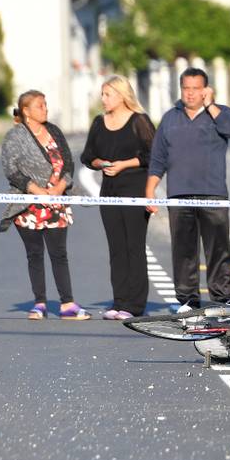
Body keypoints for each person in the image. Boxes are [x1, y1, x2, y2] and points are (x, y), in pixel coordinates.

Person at [145, 68, 230, 311]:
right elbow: (158, 157)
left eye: (196, 89)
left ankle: (222, 299)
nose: (190, 94)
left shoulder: (220, 114)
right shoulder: (170, 118)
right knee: (184, 251)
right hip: (179, 195)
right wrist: (150, 191)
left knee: (218, 249)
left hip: (213, 194)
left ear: (206, 90)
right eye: (186, 88)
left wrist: (210, 105)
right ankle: (188, 299)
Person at [0, 90, 90, 320]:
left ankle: (67, 303)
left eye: (46, 104)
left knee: (59, 253)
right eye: (40, 106)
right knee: (35, 253)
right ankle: (39, 303)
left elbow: (68, 163)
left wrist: (59, 188)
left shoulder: (54, 131)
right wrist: (36, 191)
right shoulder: (14, 137)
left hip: (56, 203)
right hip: (30, 205)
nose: (45, 109)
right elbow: (11, 170)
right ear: (26, 111)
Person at [80, 75, 156, 320]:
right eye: (102, 94)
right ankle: (119, 301)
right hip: (109, 193)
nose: (103, 99)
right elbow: (87, 156)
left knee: (134, 246)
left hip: (134, 190)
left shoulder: (139, 121)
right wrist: (100, 162)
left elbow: (152, 154)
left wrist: (124, 164)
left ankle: (135, 305)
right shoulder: (99, 122)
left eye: (108, 94)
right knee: (116, 248)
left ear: (123, 95)